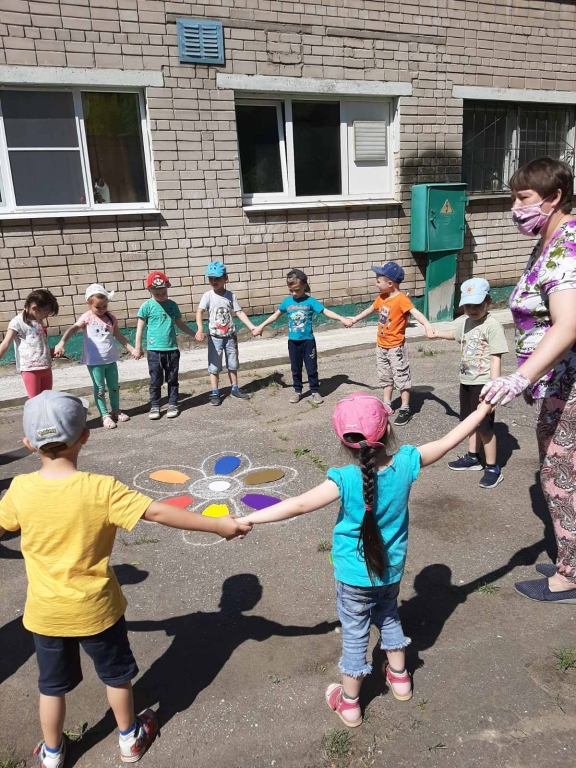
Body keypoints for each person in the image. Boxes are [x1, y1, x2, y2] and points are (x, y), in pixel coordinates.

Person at [0, 390, 251, 768]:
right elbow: (159, 513)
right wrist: (217, 525)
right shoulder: (102, 489)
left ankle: (51, 754)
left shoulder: (19, 489)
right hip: (97, 610)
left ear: (27, 444)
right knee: (116, 677)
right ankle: (129, 738)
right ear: (85, 436)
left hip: (46, 613)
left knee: (50, 687)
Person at [241, 392, 494, 726]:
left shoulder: (344, 479)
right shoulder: (407, 461)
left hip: (353, 577)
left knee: (355, 634)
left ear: (343, 441)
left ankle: (349, 702)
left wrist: (248, 519)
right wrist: (483, 409)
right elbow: (449, 441)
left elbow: (298, 505)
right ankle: (400, 679)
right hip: (391, 571)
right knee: (388, 615)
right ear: (388, 429)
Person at [480, 157, 576, 603]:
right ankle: (569, 556)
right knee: (558, 471)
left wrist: (519, 378)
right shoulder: (548, 239)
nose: (515, 208)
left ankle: (570, 576)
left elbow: (568, 324)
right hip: (557, 386)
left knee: (560, 475)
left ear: (554, 197)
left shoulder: (567, 246)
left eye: (523, 198)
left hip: (570, 386)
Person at [429, 278, 508, 488]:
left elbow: (496, 359)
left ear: (488, 301)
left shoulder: (492, 326)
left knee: (484, 427)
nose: (472, 310)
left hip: (483, 384)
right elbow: (455, 335)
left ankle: (492, 467)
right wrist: (437, 334)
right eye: (468, 305)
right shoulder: (467, 322)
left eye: (477, 304)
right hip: (466, 381)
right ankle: (473, 457)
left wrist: (494, 389)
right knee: (469, 423)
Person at [347, 263, 434, 426]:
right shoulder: (382, 297)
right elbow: (370, 310)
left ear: (390, 283)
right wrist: (354, 319)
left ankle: (405, 408)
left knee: (401, 376)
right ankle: (387, 404)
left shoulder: (401, 300)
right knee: (385, 376)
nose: (376, 283)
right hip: (381, 346)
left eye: (378, 281)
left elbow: (415, 313)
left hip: (396, 347)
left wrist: (427, 325)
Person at [254, 269, 352, 404]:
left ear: (304, 285)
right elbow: (275, 315)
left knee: (311, 368)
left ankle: (314, 391)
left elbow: (326, 311)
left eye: (297, 290)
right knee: (296, 368)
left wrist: (342, 319)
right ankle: (297, 391)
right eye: (291, 290)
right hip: (293, 342)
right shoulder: (287, 302)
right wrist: (261, 326)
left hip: (308, 342)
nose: (294, 293)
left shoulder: (310, 301)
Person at [55, 284, 140, 429]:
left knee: (114, 386)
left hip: (111, 359)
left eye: (104, 306)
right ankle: (104, 415)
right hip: (95, 361)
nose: (101, 309)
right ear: (89, 304)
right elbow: (73, 329)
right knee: (100, 388)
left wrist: (132, 350)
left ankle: (115, 410)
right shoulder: (87, 317)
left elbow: (118, 335)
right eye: (98, 307)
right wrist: (62, 342)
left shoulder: (110, 318)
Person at [134, 271, 197, 420]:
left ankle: (173, 403)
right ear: (150, 290)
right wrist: (137, 348)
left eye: (164, 293)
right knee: (155, 380)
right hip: (154, 351)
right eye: (157, 294)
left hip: (171, 350)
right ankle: (155, 405)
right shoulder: (146, 306)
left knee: (172, 378)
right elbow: (140, 328)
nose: (161, 296)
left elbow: (180, 324)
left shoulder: (172, 305)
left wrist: (194, 334)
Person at [195, 261, 259, 406]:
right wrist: (200, 329)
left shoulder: (230, 296)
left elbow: (239, 312)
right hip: (215, 338)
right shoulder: (207, 296)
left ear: (225, 278)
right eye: (211, 278)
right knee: (214, 366)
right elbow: (199, 312)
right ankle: (215, 391)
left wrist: (252, 327)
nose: (214, 281)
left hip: (230, 337)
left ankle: (234, 388)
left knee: (232, 363)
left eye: (217, 278)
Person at [0, 289, 59, 398]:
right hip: (30, 369)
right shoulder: (17, 322)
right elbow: (5, 343)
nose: (46, 316)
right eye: (46, 312)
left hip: (46, 366)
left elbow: (38, 344)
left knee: (47, 399)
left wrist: (50, 352)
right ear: (34, 308)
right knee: (34, 401)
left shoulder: (38, 320)